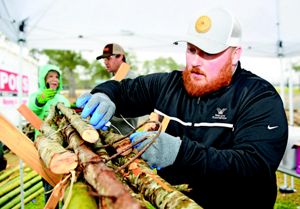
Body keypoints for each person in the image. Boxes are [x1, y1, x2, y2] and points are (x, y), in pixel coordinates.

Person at [76, 8, 288, 209]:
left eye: (207, 53)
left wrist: (179, 153)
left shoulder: (258, 97)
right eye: (191, 50)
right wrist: (103, 94)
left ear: (235, 54)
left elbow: (254, 166)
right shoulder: (169, 85)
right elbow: (122, 90)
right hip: (174, 201)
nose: (195, 61)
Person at [28, 64, 70, 206]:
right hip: (45, 148)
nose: (54, 79)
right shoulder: (37, 96)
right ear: (44, 79)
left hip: (62, 147)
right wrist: (40, 100)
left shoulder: (62, 99)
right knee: (49, 185)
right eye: (50, 76)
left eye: (57, 77)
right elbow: (32, 111)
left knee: (64, 184)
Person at [85, 43, 139, 135]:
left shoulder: (131, 80)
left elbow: (131, 109)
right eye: (104, 59)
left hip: (124, 136)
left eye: (108, 58)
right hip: (110, 134)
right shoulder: (114, 79)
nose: (105, 62)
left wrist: (100, 111)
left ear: (120, 57)